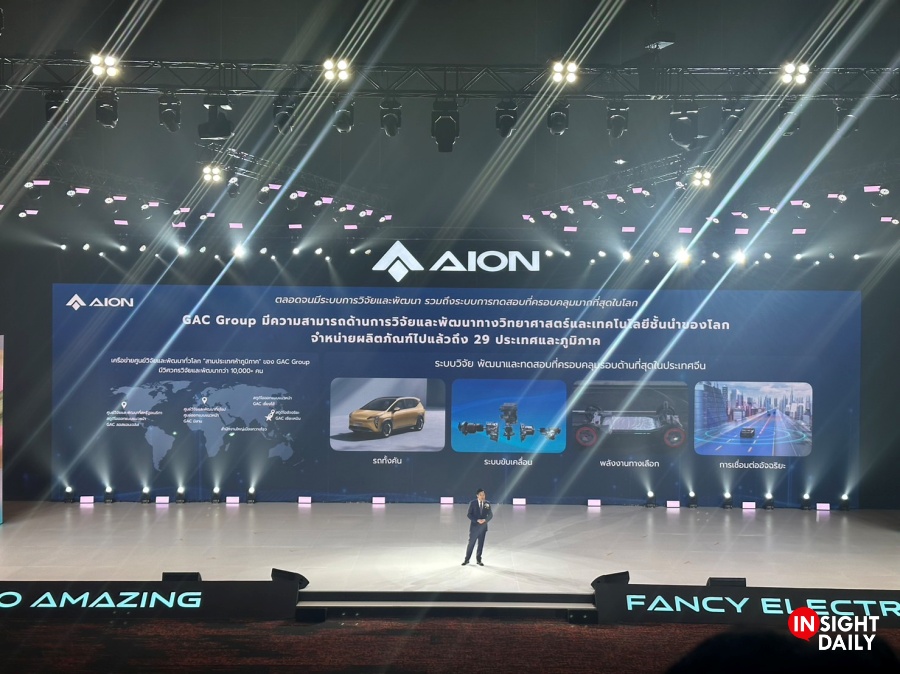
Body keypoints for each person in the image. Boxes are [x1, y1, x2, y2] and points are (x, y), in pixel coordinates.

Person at [461, 488, 492, 566]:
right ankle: (467, 559)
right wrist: (476, 520)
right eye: (481, 495)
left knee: (480, 544)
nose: (482, 496)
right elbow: (469, 514)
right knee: (471, 544)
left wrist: (485, 520)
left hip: (483, 527)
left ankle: (479, 560)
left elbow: (490, 514)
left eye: (483, 495)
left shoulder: (487, 503)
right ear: (477, 495)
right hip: (474, 527)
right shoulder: (473, 503)